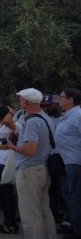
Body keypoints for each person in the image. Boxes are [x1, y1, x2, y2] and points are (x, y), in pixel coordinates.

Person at [6, 88, 56, 238]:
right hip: (42, 168)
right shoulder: (45, 118)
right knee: (44, 210)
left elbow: (30, 150)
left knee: (30, 215)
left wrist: (12, 146)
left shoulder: (33, 121)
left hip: (30, 171)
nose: (20, 102)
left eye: (21, 99)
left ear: (25, 102)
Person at [0, 105, 21, 234]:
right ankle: (6, 219)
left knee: (6, 193)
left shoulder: (13, 124)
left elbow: (10, 143)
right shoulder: (2, 125)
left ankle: (11, 222)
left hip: (5, 161)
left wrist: (11, 111)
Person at [55, 88, 81, 239]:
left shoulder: (78, 115)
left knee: (74, 196)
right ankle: (73, 224)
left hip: (75, 161)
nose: (59, 99)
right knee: (67, 195)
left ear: (71, 100)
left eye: (61, 97)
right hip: (65, 161)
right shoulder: (68, 115)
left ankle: (77, 230)